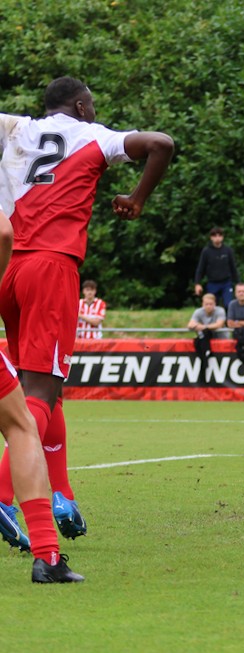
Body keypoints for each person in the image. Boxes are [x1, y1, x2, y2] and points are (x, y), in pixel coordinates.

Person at [0, 76, 174, 545]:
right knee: (38, 393)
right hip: (52, 268)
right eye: (92, 106)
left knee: (41, 387)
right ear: (80, 106)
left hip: (7, 271)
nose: (94, 113)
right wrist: (136, 200)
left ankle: (62, 493)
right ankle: (1, 492)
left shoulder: (13, 129)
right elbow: (162, 143)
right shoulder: (94, 136)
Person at [0, 208, 83, 582]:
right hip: (45, 262)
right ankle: (6, 499)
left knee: (45, 388)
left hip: (18, 276)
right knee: (25, 418)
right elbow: (4, 233)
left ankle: (63, 494)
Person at [193, 227, 239, 309]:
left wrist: (238, 283)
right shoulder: (206, 251)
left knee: (229, 305)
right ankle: (215, 322)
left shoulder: (228, 250)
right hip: (212, 283)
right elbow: (200, 268)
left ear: (222, 237)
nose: (217, 238)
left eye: (219, 236)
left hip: (226, 283)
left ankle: (229, 321)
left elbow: (233, 268)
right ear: (211, 238)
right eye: (215, 236)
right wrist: (197, 283)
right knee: (212, 306)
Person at [187, 293, 227, 359]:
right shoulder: (198, 311)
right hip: (206, 339)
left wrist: (203, 327)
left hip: (221, 338)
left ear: (215, 304)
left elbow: (219, 324)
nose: (208, 306)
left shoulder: (220, 310)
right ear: (202, 304)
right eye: (206, 304)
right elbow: (190, 324)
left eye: (211, 304)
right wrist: (199, 326)